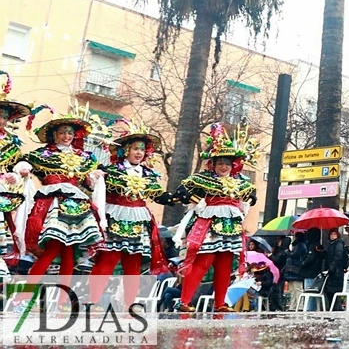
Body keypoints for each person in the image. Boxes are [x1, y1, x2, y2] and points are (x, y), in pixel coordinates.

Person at [168, 124, 257, 313]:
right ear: (213, 164)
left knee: (225, 265)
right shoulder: (202, 178)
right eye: (220, 163)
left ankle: (220, 303)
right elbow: (181, 192)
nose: (224, 166)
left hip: (231, 226)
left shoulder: (241, 182)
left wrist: (244, 204)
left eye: (227, 163)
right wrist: (197, 201)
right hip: (208, 225)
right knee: (202, 263)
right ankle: (184, 300)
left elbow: (253, 196)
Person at [13, 106, 106, 282]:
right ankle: (25, 295)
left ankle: (61, 299)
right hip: (52, 204)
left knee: (68, 251)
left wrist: (94, 177)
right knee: (54, 248)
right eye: (62, 132)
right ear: (55, 134)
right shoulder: (43, 154)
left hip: (77, 205)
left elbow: (92, 176)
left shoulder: (84, 157)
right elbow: (24, 162)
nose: (66, 136)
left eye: (70, 133)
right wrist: (23, 169)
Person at [89, 123, 172, 306]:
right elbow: (92, 186)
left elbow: (158, 195)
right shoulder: (111, 170)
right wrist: (92, 178)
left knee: (133, 266)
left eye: (142, 149)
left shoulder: (148, 175)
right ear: (126, 150)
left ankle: (128, 306)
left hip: (139, 221)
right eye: (135, 148)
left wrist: (178, 198)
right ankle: (92, 303)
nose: (139, 153)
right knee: (107, 262)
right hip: (115, 218)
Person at [0, 74, 30, 263]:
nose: (0, 120)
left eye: (3, 117)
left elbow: (16, 166)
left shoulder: (11, 145)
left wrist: (16, 174)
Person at [284, 231, 309, 310]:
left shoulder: (301, 246)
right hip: (293, 271)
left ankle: (299, 306)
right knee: (292, 289)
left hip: (296, 270)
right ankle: (293, 305)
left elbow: (295, 255)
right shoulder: (298, 245)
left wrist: (288, 252)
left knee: (297, 289)